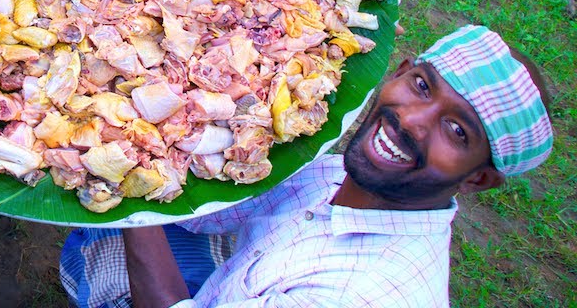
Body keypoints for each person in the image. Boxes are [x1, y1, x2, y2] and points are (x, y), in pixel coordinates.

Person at [60, 25, 553, 308]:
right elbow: (225, 209)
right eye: (423, 87)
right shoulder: (353, 177)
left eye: (457, 131)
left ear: (478, 177)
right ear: (401, 71)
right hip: (242, 275)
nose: (411, 122)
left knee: (105, 233)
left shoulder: (354, 296)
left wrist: (132, 195)